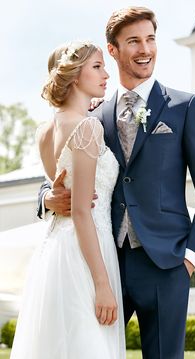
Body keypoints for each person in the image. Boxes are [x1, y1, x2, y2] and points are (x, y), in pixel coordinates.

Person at [38, 7, 195, 359]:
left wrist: (191, 257)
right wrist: (48, 198)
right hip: (104, 263)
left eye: (151, 39)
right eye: (134, 41)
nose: (145, 49)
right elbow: (58, 174)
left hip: (167, 265)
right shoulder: (92, 116)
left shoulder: (184, 107)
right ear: (113, 50)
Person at [10, 41, 126, 359]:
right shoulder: (87, 128)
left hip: (53, 253)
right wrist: (102, 284)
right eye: (98, 67)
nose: (106, 74)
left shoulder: (45, 131)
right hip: (87, 253)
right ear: (75, 76)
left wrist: (48, 198)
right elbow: (80, 213)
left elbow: (58, 190)